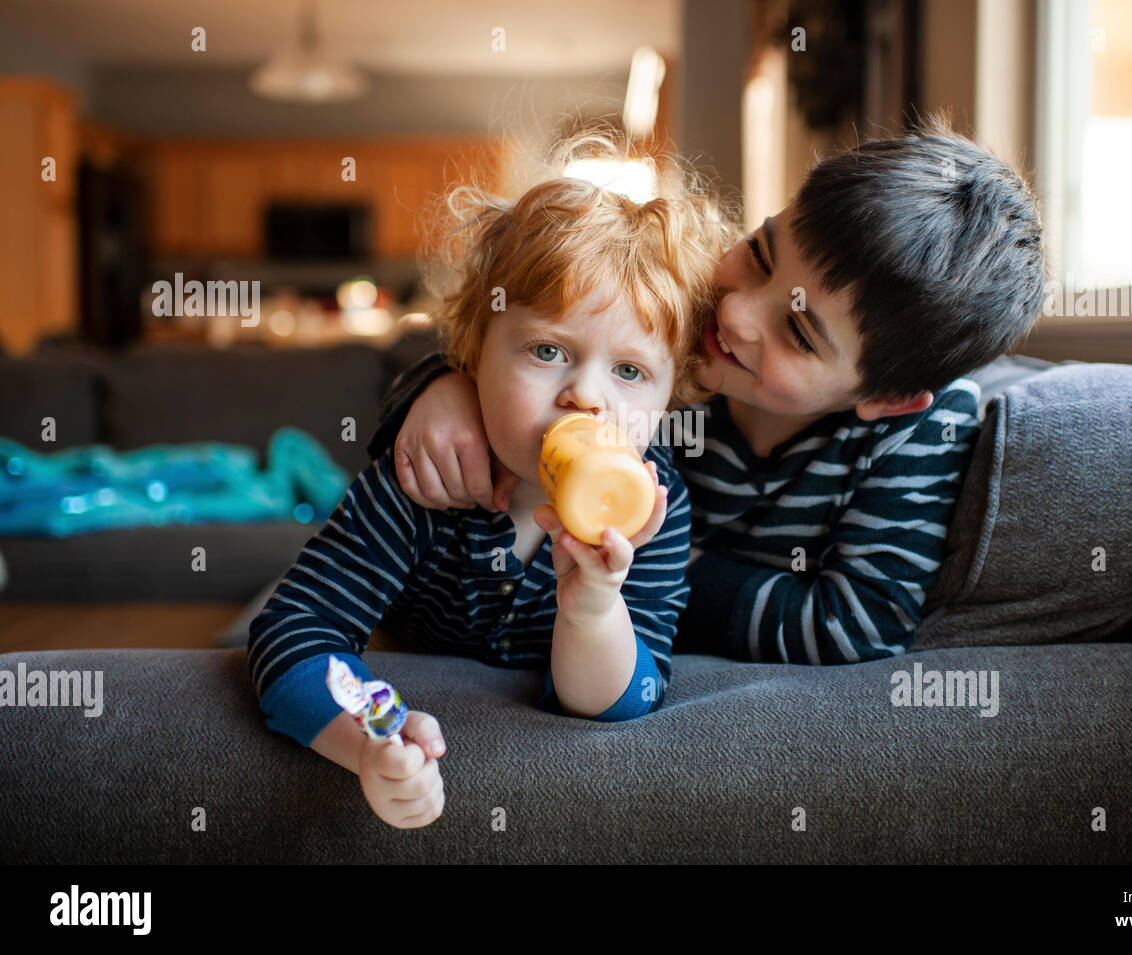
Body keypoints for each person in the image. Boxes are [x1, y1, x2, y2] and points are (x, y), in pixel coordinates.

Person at [369, 114, 1047, 667]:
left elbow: (850, 626)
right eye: (757, 254)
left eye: (799, 333)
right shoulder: (684, 313)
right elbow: (513, 327)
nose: (737, 314)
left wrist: (657, 569)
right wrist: (446, 383)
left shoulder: (918, 431)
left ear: (888, 398)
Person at [247, 144, 734, 829]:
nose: (586, 397)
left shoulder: (654, 508)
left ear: (669, 396)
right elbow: (295, 629)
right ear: (472, 350)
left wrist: (594, 603)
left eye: (629, 372)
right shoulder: (423, 483)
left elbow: (622, 701)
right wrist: (372, 738)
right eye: (547, 351)